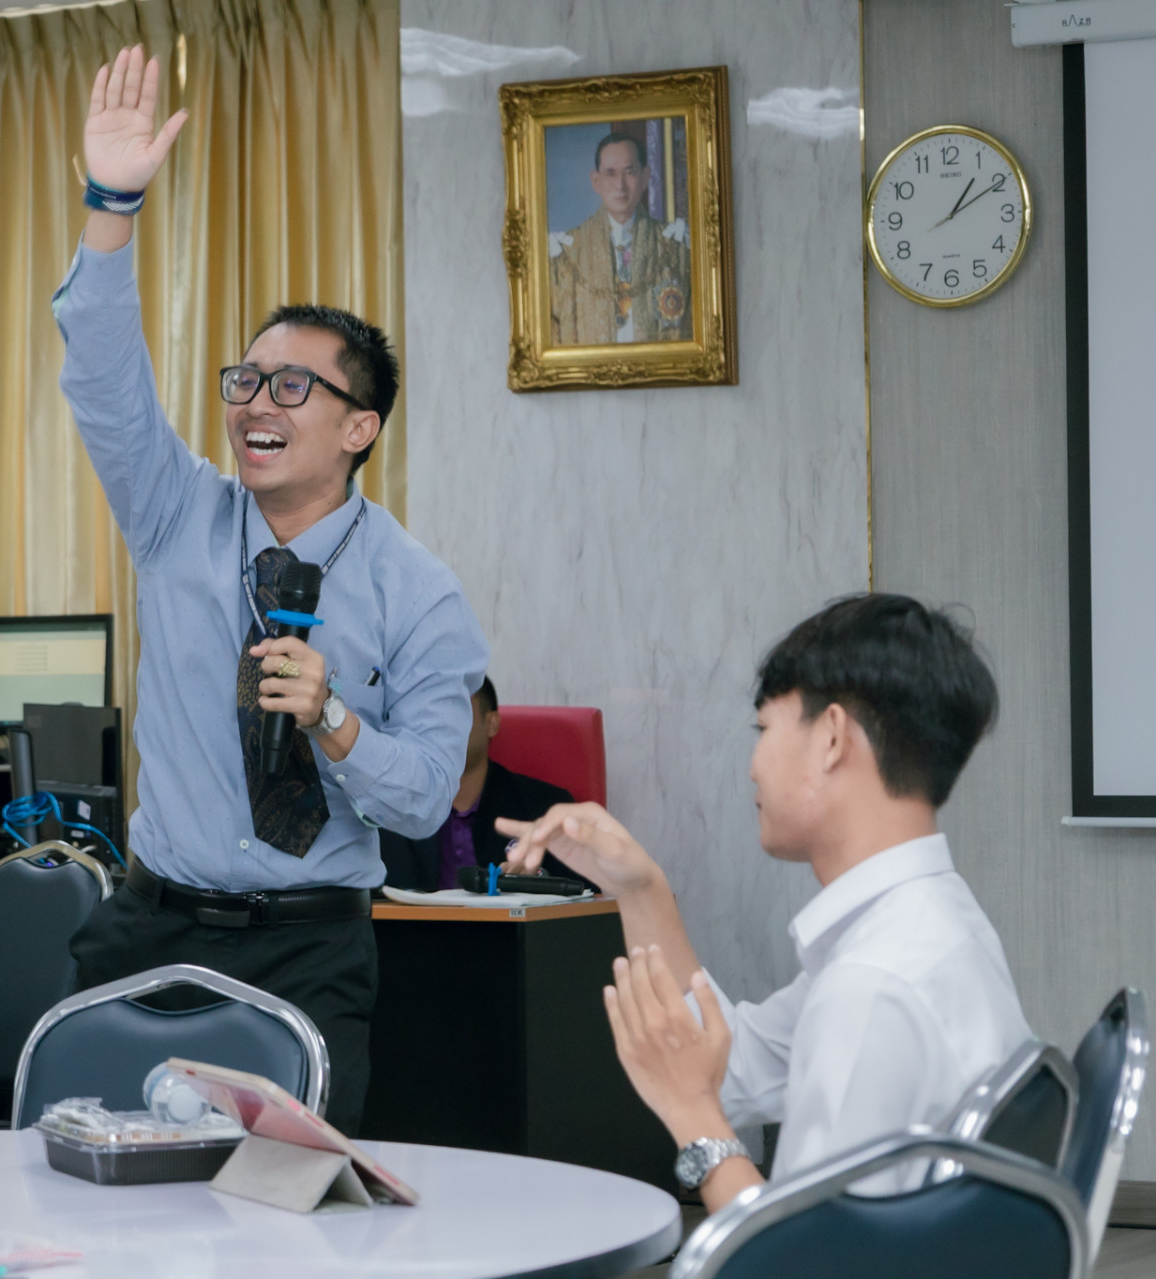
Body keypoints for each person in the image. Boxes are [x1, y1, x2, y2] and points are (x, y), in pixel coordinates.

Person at [55, 46, 488, 1134]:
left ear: (359, 427)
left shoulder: (421, 594)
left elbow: (425, 798)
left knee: (291, 1202)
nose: (256, 402)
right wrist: (112, 207)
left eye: (293, 386)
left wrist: (334, 719)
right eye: (245, 379)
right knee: (92, 1192)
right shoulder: (174, 514)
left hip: (309, 946)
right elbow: (105, 378)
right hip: (151, 926)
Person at [499, 594, 1030, 1211]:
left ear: (831, 737)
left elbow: (800, 1256)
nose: (752, 767)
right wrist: (640, 888)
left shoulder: (871, 985)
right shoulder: (930, 921)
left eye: (764, 729)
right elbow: (735, 1069)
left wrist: (693, 1116)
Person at [378, 676, 590, 893]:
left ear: (492, 724)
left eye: (456, 712)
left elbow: (585, 893)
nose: (442, 727)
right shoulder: (388, 809)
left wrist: (536, 878)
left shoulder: (546, 807)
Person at [548, 131, 692, 345]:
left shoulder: (677, 248)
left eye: (629, 172)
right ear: (596, 181)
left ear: (645, 177)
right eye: (610, 173)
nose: (620, 185)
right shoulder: (565, 254)